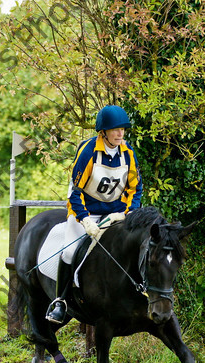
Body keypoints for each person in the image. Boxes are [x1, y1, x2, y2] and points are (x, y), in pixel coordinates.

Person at [46, 105, 143, 323]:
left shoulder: (127, 153)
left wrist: (126, 213)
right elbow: (75, 191)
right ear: (103, 132)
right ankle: (60, 301)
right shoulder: (88, 151)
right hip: (85, 213)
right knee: (70, 251)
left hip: (114, 215)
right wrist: (85, 219)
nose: (120, 134)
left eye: (123, 129)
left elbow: (135, 189)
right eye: (115, 130)